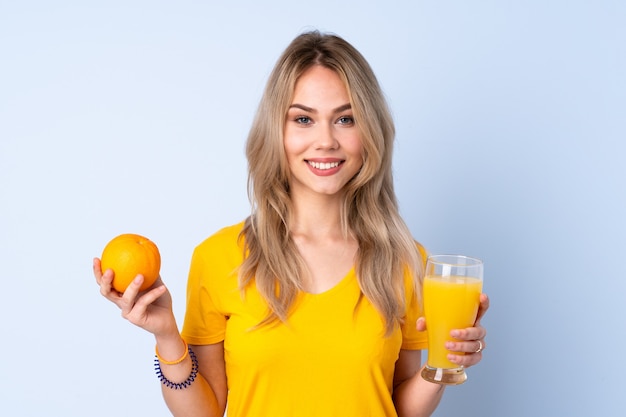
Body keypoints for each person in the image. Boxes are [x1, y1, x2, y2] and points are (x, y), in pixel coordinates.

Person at [94, 30, 489, 417]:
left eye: (346, 119)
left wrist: (444, 362)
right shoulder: (219, 257)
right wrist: (166, 335)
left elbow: (402, 409)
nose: (326, 141)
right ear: (276, 131)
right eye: (303, 119)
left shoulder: (405, 260)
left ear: (370, 131)